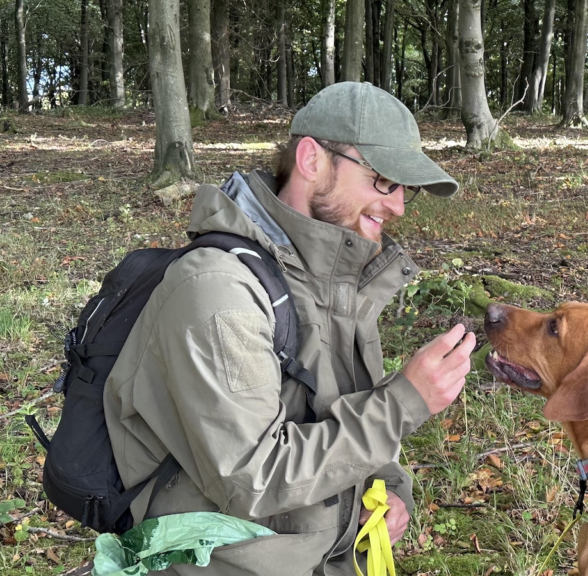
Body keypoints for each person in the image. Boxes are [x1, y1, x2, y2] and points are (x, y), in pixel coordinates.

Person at [103, 82, 477, 575]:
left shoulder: (335, 278)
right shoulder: (219, 292)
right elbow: (253, 478)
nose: (399, 206)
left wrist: (385, 490)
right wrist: (405, 403)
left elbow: (341, 412)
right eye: (383, 180)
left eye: (406, 189)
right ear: (311, 159)